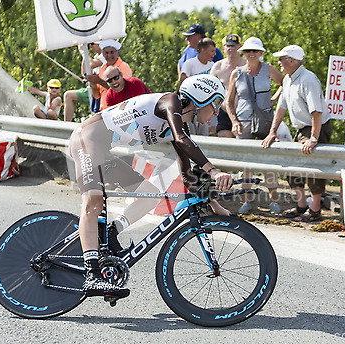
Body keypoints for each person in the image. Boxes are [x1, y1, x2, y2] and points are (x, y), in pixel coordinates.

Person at [68, 74, 232, 297]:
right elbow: (183, 140)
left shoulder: (180, 128)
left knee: (152, 196)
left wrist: (213, 204)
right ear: (201, 98)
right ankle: (92, 275)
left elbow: (187, 175)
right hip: (86, 139)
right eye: (215, 105)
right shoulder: (171, 102)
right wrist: (213, 171)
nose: (215, 113)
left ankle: (111, 230)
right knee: (93, 201)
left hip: (102, 151)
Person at [262, 45, 332, 222]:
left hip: (316, 127)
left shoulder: (309, 79)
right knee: (293, 164)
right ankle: (302, 206)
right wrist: (272, 132)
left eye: (282, 59)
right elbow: (281, 107)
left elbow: (316, 111)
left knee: (312, 166)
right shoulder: (287, 79)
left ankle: (315, 210)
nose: (279, 63)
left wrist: (314, 138)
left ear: (292, 60)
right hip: (302, 128)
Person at [226, 37, 285, 214]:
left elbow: (286, 83)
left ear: (260, 53)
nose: (251, 54)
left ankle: (273, 200)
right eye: (248, 51)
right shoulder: (236, 74)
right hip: (243, 122)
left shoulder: (269, 69)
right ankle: (246, 201)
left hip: (266, 120)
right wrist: (234, 121)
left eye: (255, 51)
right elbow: (229, 102)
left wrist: (275, 99)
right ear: (243, 53)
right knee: (246, 165)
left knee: (268, 161)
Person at [178, 38, 218, 136]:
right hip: (191, 108)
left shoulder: (213, 66)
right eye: (212, 51)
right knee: (191, 134)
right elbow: (182, 86)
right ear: (203, 50)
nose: (215, 54)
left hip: (206, 107)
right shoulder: (190, 64)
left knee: (207, 135)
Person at [210, 34, 246, 138]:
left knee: (243, 144)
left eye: (234, 46)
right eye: (227, 46)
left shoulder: (246, 64)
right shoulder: (218, 66)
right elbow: (209, 90)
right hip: (224, 111)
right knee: (224, 143)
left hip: (244, 112)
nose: (231, 49)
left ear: (240, 47)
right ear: (223, 48)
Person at [85, 39, 133, 112]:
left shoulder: (124, 66)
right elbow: (97, 96)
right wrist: (93, 83)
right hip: (104, 111)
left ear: (118, 53)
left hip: (120, 110)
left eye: (112, 52)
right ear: (103, 54)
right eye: (106, 53)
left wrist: (99, 81)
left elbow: (121, 90)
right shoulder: (102, 69)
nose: (109, 55)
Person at [63, 42, 106, 122]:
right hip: (93, 88)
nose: (90, 46)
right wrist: (85, 55)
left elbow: (91, 64)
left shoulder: (105, 55)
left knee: (69, 95)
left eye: (92, 44)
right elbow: (84, 73)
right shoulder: (96, 57)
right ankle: (67, 124)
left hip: (101, 90)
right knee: (68, 95)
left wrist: (84, 53)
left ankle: (67, 125)